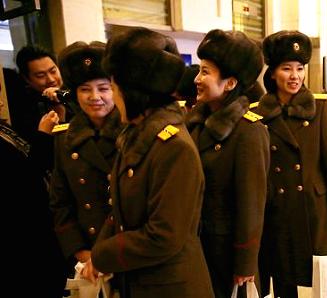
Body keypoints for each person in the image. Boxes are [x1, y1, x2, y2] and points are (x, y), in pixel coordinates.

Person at [89, 27, 213, 298]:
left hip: (171, 287)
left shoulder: (172, 147)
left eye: (113, 86)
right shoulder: (135, 135)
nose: (112, 95)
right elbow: (121, 209)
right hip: (142, 280)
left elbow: (164, 236)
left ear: (134, 91)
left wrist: (102, 254)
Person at [256, 30, 327, 298]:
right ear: (272, 73)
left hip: (312, 206)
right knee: (283, 273)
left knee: (318, 273)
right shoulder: (257, 112)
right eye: (286, 69)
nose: (295, 76)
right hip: (277, 206)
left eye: (300, 68)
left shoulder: (319, 107)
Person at [186, 29, 269, 298]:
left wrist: (245, 261)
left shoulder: (248, 131)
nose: (197, 79)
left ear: (230, 83)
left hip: (224, 251)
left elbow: (252, 202)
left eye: (206, 72)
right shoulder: (194, 122)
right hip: (194, 244)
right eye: (199, 70)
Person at [49, 41, 122, 278]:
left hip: (125, 250)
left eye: (103, 88)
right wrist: (81, 251)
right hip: (88, 255)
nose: (95, 97)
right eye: (84, 89)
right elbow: (61, 202)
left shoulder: (133, 132)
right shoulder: (64, 138)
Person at [1, 90, 66, 297]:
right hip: (21, 240)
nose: (1, 102)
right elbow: (21, 180)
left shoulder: (3, 128)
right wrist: (43, 135)